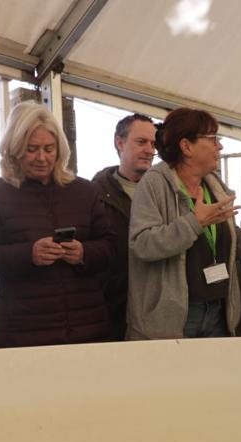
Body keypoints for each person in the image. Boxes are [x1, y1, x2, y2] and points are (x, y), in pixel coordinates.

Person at [0, 103, 116, 347]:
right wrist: (29, 254)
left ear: (60, 149)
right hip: (22, 332)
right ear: (14, 150)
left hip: (86, 328)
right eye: (31, 149)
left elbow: (112, 246)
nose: (42, 157)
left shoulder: (85, 191)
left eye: (49, 148)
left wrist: (83, 253)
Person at [127, 107, 241, 340]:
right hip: (176, 321)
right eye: (213, 138)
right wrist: (194, 222)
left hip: (219, 313)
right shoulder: (154, 184)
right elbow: (142, 244)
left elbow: (234, 247)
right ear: (186, 146)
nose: (220, 146)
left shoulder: (214, 186)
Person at [92, 113, 157, 340]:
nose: (149, 150)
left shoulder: (167, 193)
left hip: (156, 308)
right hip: (113, 311)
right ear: (119, 143)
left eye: (153, 144)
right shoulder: (94, 195)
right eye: (141, 142)